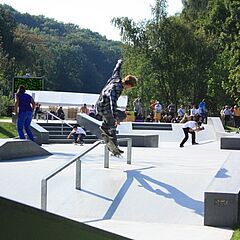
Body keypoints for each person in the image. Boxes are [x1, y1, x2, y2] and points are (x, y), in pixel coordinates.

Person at [95, 59, 138, 153]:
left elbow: (116, 70)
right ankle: (114, 146)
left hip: (100, 105)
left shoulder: (116, 78)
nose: (129, 89)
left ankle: (105, 126)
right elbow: (112, 103)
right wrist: (115, 118)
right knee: (113, 123)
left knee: (123, 115)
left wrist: (119, 62)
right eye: (130, 87)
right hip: (104, 107)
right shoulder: (117, 88)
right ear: (128, 84)